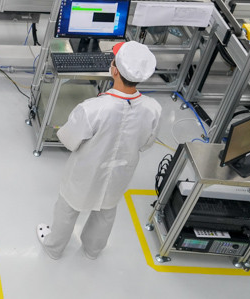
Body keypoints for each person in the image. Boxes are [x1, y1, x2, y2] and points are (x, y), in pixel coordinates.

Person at [37, 40, 162, 260]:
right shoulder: (153, 109)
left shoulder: (92, 109)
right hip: (120, 173)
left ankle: (54, 248)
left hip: (85, 171)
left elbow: (68, 140)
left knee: (68, 207)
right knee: (106, 211)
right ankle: (92, 250)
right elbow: (146, 143)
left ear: (114, 70)